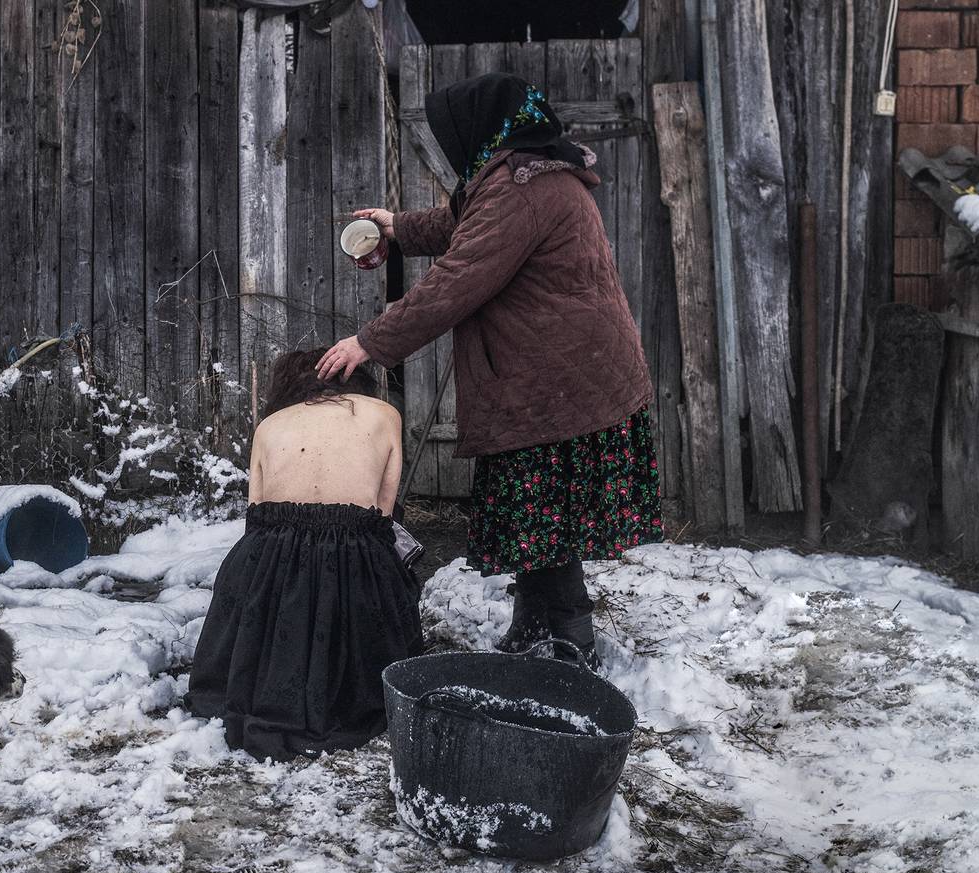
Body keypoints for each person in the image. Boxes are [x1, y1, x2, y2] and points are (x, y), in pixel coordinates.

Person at [316, 72, 661, 670]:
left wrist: (370, 342)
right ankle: (536, 629)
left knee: (548, 519)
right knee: (541, 519)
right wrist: (396, 229)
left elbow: (459, 279)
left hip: (558, 381)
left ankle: (571, 645)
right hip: (559, 377)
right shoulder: (522, 175)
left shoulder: (522, 189)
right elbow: (463, 225)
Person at [186, 350, 424, 762]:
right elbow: (382, 515)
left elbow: (256, 514)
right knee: (379, 568)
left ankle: (273, 671)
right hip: (353, 551)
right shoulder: (385, 415)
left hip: (269, 551)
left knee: (257, 567)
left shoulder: (269, 426)